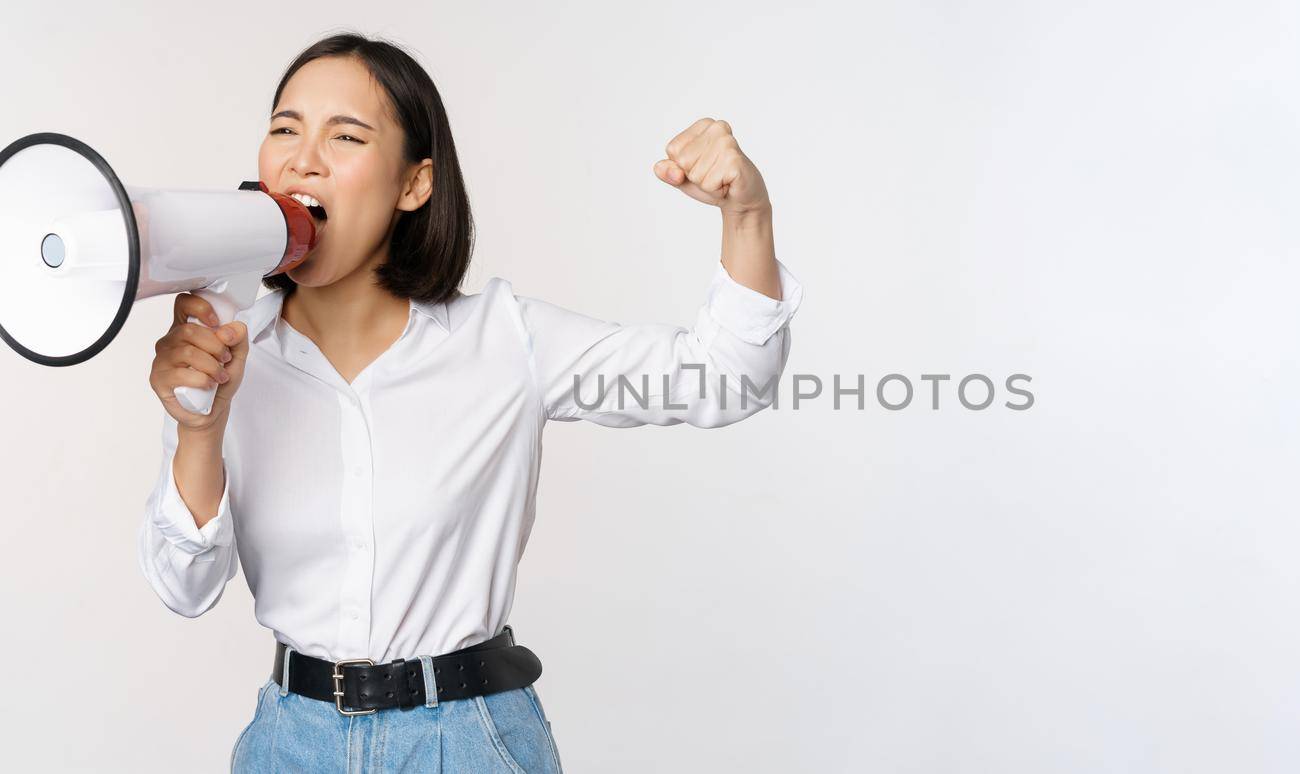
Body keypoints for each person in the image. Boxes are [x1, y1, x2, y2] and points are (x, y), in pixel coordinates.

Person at [134, 32, 802, 773]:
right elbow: (184, 588)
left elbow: (729, 377)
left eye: (345, 136)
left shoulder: (504, 339)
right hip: (290, 743)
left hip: (466, 742)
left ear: (414, 185)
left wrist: (748, 216)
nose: (303, 158)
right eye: (284, 129)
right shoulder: (229, 359)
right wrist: (199, 429)